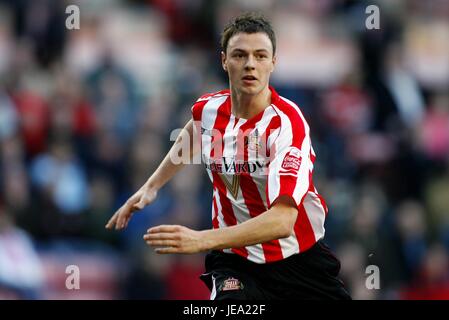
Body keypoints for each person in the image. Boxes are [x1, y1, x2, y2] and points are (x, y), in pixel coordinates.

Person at [106, 13, 351, 300]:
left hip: (298, 259)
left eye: (261, 56)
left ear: (274, 63)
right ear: (224, 61)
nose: (250, 64)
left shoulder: (286, 126)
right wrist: (152, 186)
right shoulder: (210, 109)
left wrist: (201, 239)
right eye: (240, 55)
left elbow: (283, 222)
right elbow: (194, 132)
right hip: (234, 261)